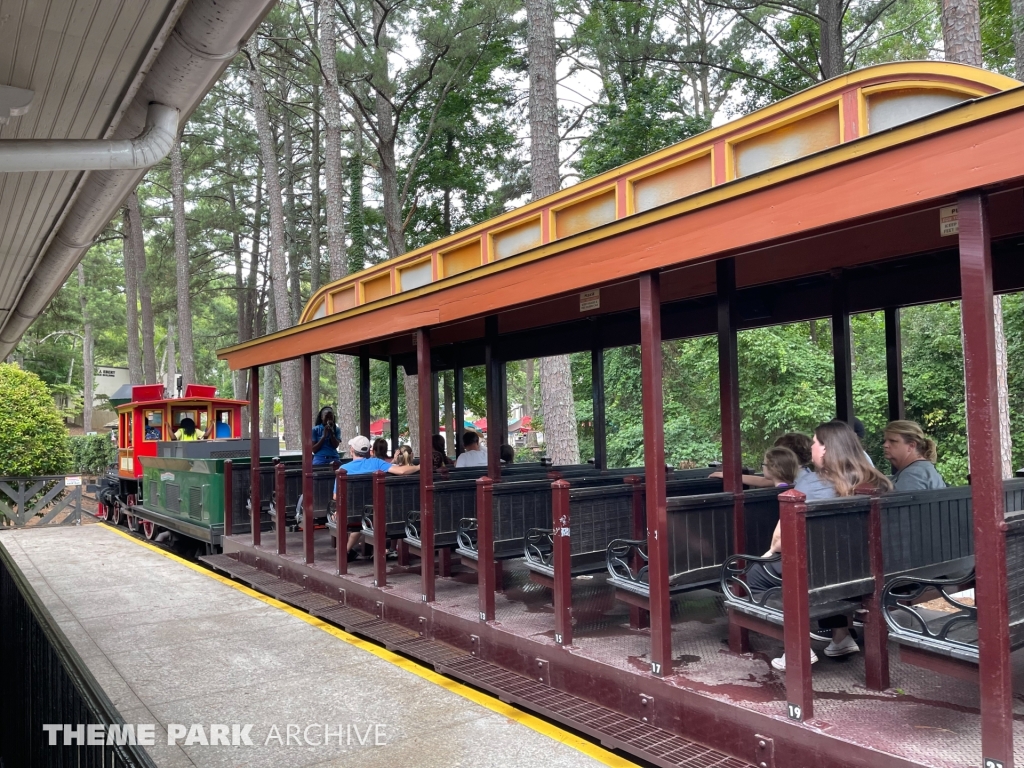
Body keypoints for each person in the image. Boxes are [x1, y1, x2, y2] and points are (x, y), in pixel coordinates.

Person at [754, 420, 892, 672]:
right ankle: (841, 637)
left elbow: (781, 542)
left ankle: (797, 647)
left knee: (755, 576)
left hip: (823, 572)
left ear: (827, 449)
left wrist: (772, 550)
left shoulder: (814, 485)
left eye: (815, 442)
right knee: (822, 568)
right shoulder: (875, 480)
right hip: (863, 570)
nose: (812, 446)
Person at [335, 435, 419, 561]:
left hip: (351, 514)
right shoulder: (377, 463)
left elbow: (336, 496)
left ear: (352, 450)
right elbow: (401, 471)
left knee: (357, 518)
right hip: (377, 512)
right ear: (369, 450)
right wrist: (420, 467)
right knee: (367, 517)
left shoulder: (343, 469)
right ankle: (352, 550)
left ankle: (344, 551)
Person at [709, 432, 811, 487]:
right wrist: (730, 476)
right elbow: (763, 481)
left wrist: (730, 476)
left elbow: (763, 481)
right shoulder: (802, 472)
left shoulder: (797, 479)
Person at [883, 420, 946, 490]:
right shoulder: (921, 469)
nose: (885, 445)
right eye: (885, 441)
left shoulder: (913, 475)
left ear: (911, 446)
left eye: (893, 441)